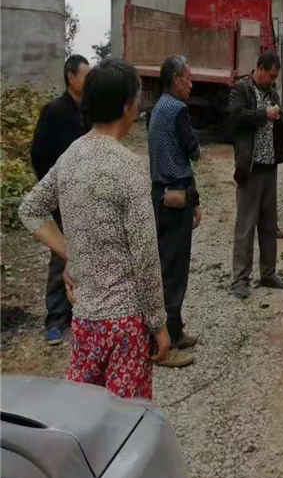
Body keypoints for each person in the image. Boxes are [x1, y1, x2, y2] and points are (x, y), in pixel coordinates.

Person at [19, 58, 170, 399]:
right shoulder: (129, 167)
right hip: (125, 327)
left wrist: (68, 251)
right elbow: (145, 256)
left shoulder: (72, 155)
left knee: (84, 420)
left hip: (85, 321)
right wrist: (159, 324)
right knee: (122, 428)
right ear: (126, 106)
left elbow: (30, 209)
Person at [30, 53, 90, 345]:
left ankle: (77, 311)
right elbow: (38, 154)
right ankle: (54, 319)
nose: (88, 81)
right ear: (71, 77)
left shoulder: (88, 112)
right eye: (85, 76)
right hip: (61, 196)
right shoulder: (54, 111)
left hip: (87, 193)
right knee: (61, 254)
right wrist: (52, 191)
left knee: (86, 252)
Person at [148, 55, 202, 368]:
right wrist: (200, 151)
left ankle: (176, 330)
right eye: (188, 77)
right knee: (173, 270)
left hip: (164, 195)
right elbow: (192, 150)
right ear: (176, 79)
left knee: (170, 265)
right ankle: (164, 341)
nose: (191, 83)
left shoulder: (157, 108)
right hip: (174, 196)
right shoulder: (178, 109)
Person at [230, 50, 283, 298]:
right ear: (260, 69)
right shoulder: (241, 90)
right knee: (246, 224)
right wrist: (263, 115)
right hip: (250, 167)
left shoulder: (272, 93)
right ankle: (240, 280)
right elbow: (235, 117)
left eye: (276, 77)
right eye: (271, 76)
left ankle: (268, 273)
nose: (273, 81)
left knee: (268, 223)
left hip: (270, 167)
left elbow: (276, 120)